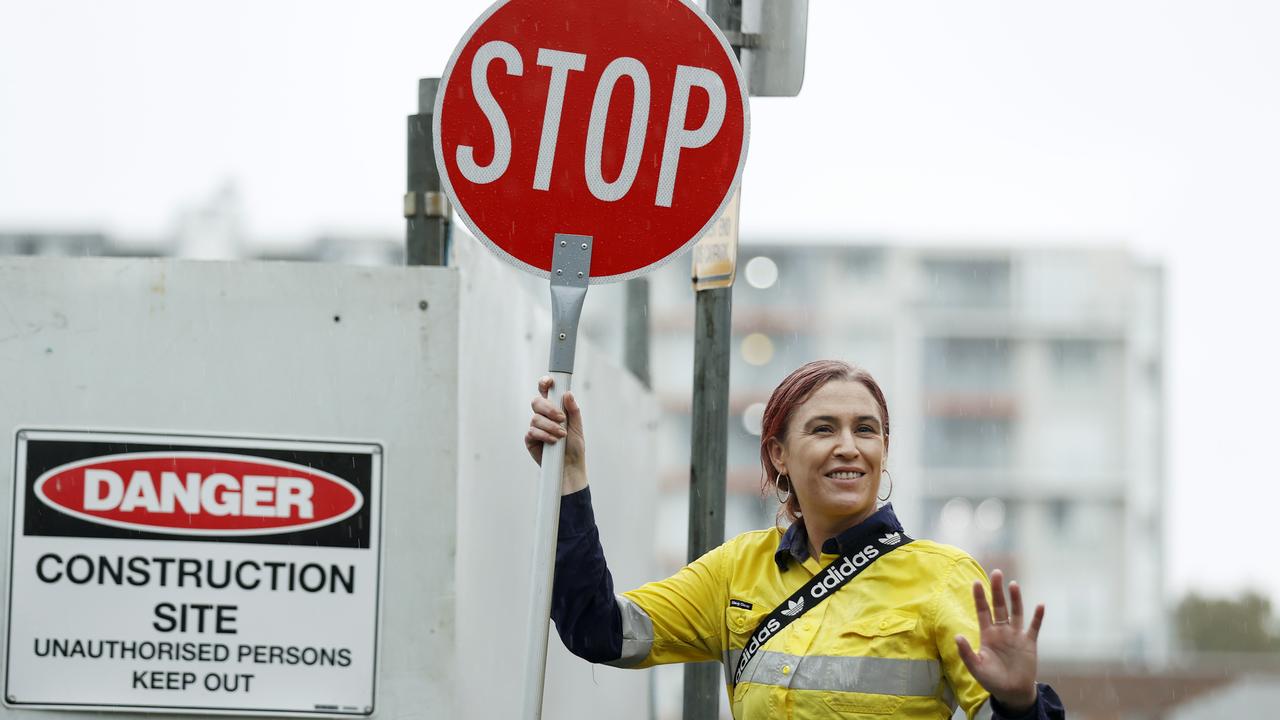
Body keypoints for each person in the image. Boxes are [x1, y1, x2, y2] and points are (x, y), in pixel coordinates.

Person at [525, 360, 1065, 719]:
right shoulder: (739, 567)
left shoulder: (944, 577)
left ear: (884, 449)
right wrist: (570, 479)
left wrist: (1019, 702)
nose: (849, 447)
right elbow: (599, 630)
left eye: (866, 429)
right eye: (824, 429)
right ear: (779, 454)